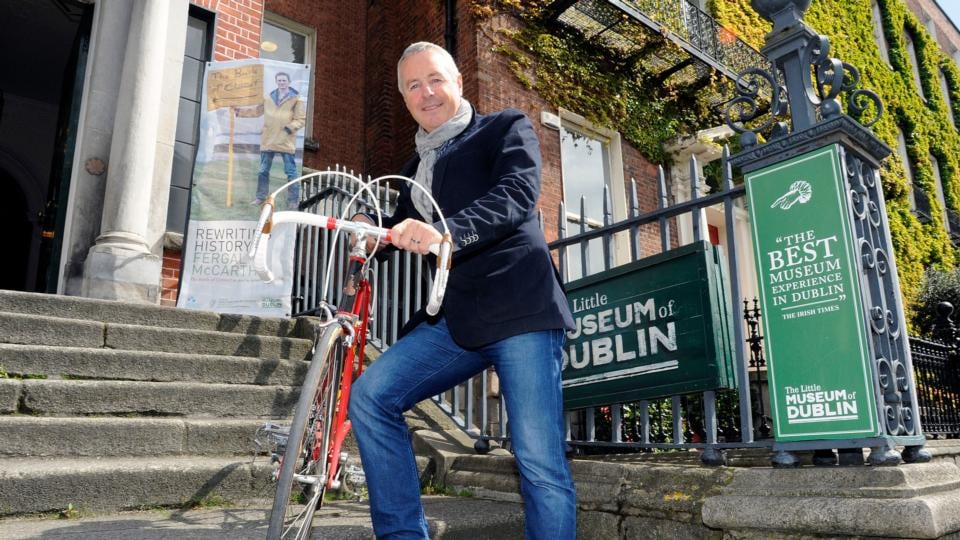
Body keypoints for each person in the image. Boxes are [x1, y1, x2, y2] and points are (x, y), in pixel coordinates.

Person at [348, 41, 577, 539]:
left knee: (539, 462)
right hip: (454, 319)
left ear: (457, 82)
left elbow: (516, 195)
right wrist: (368, 223)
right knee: (370, 396)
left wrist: (446, 233)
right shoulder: (416, 167)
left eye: (435, 79)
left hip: (521, 310)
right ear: (406, 98)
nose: (426, 92)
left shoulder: (504, 127)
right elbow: (399, 225)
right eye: (413, 85)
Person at [235, 71, 305, 209]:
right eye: (279, 80)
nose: (281, 83)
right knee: (262, 171)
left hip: (286, 141)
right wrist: (239, 112)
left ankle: (293, 201)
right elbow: (256, 111)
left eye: (284, 80)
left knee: (291, 172)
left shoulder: (296, 99)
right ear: (276, 82)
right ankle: (260, 197)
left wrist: (288, 129)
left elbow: (300, 119)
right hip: (268, 140)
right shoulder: (268, 98)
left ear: (289, 82)